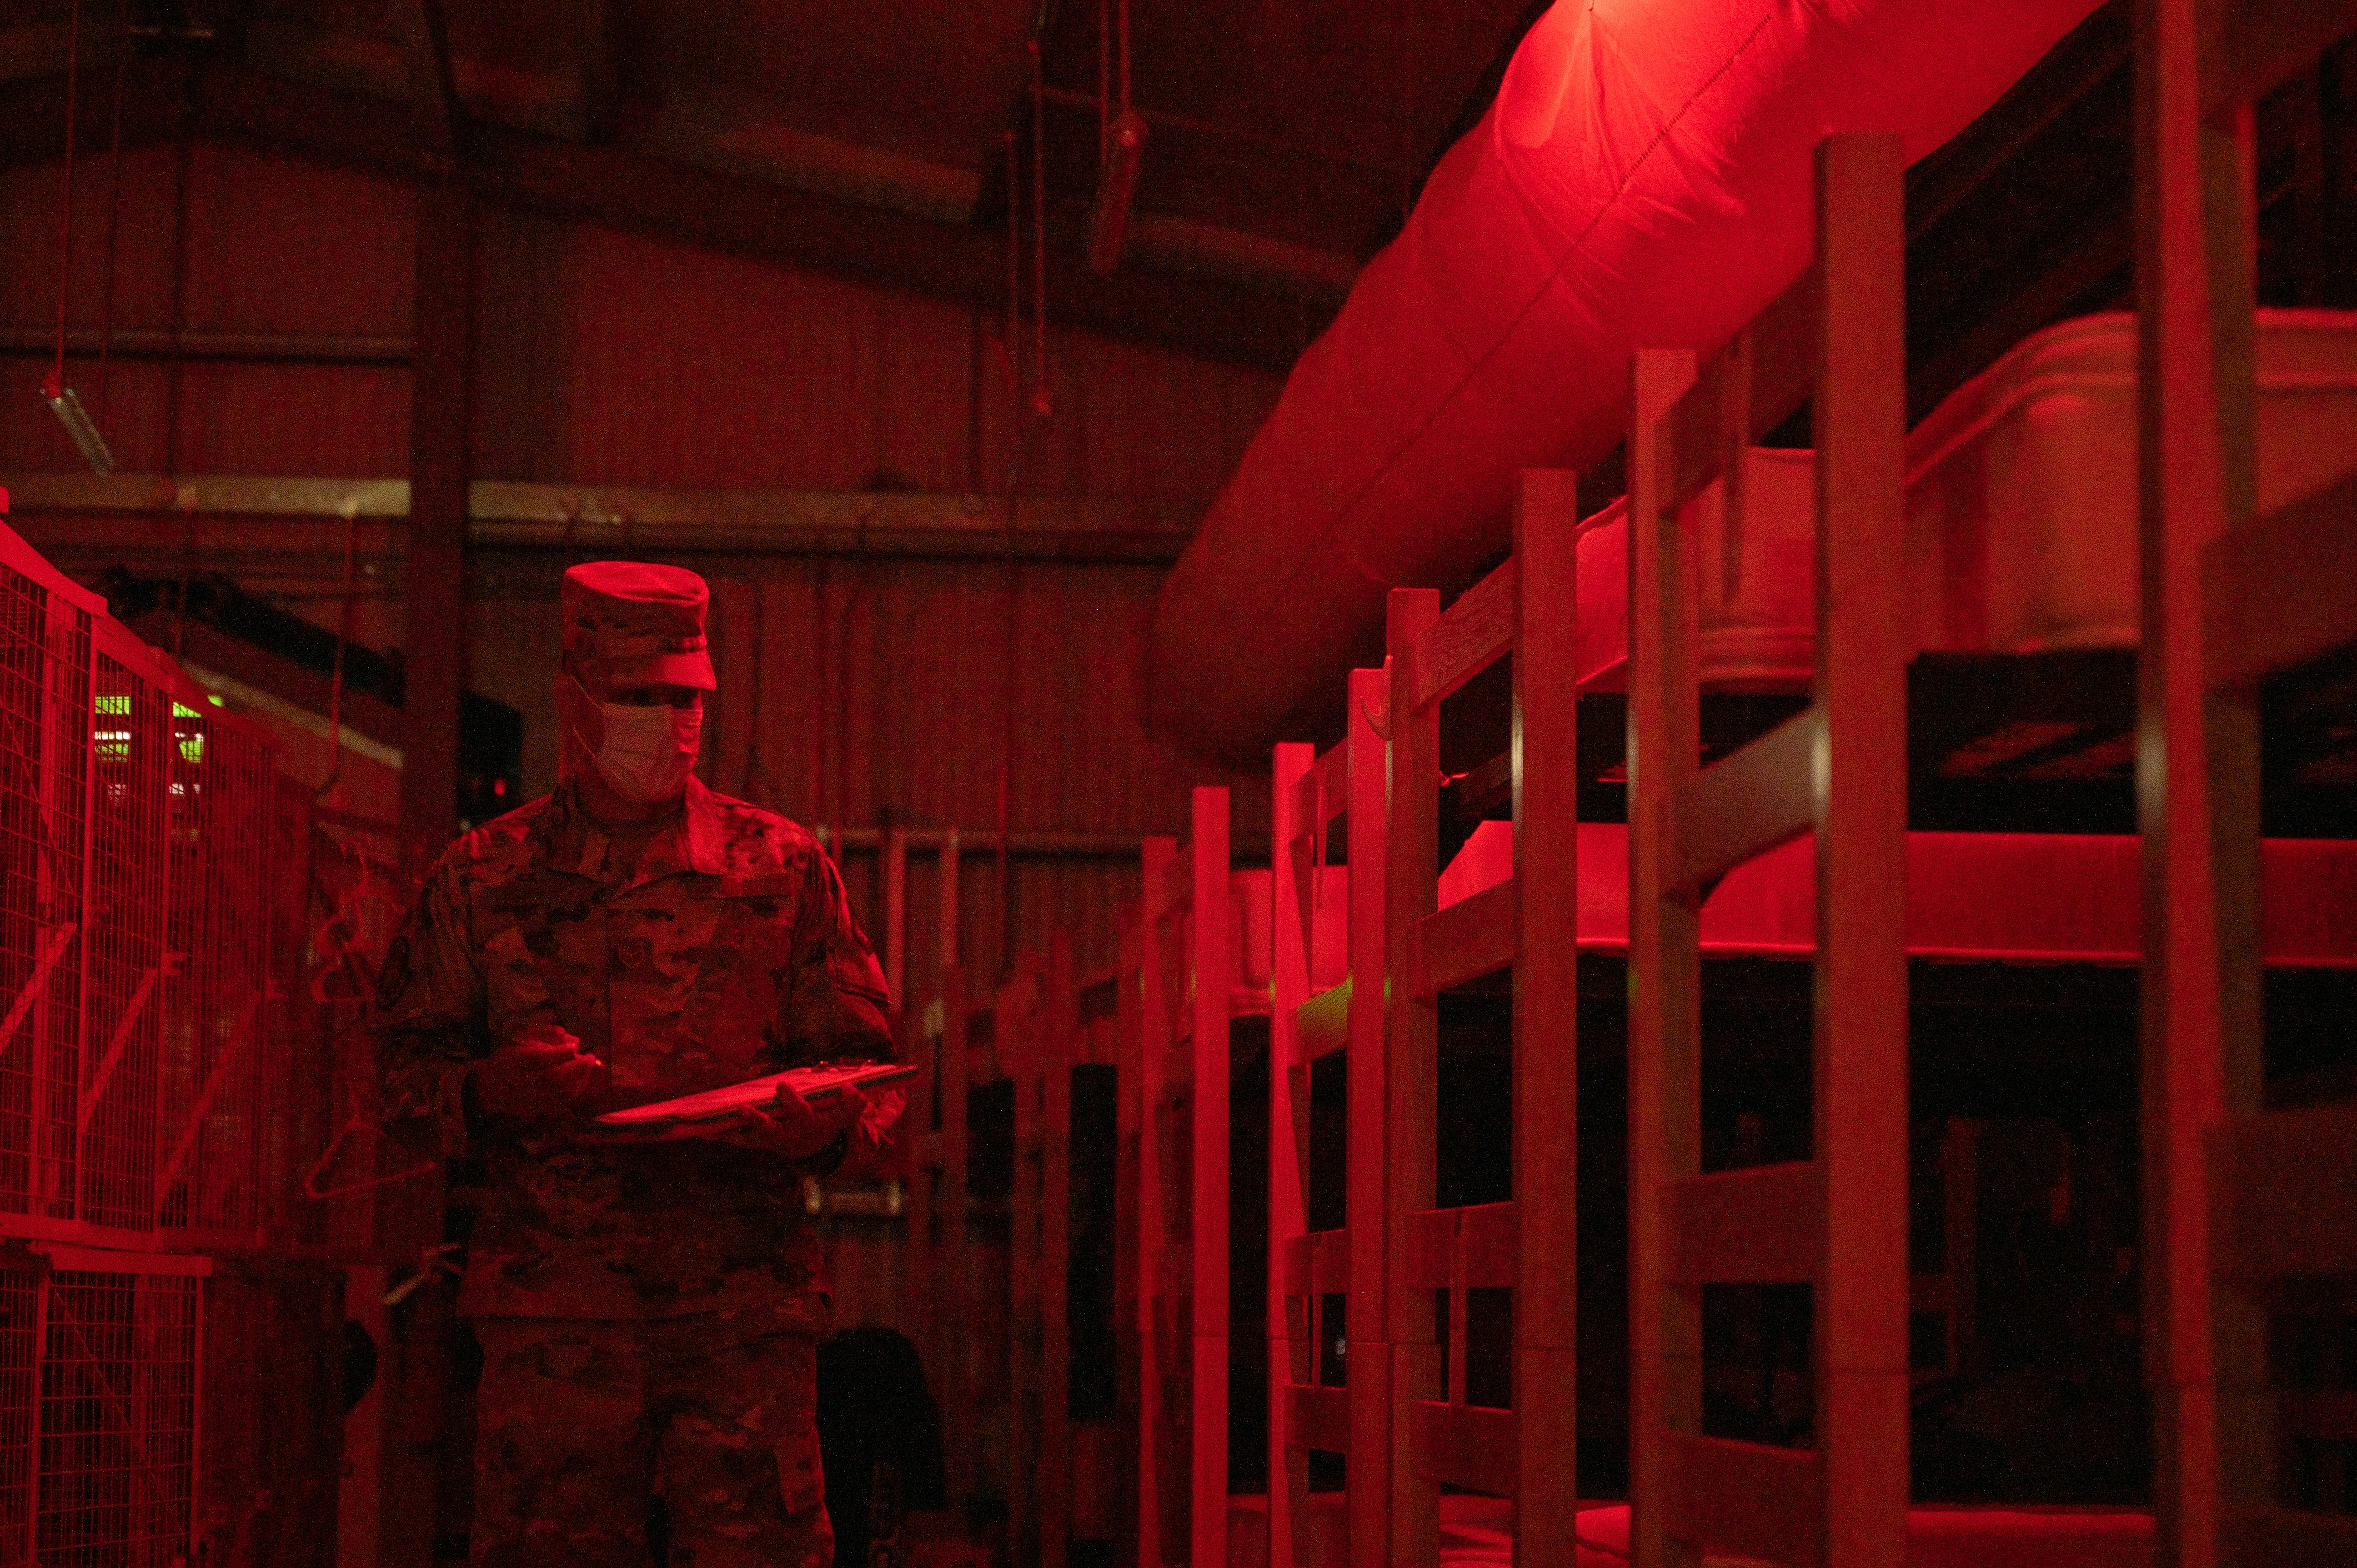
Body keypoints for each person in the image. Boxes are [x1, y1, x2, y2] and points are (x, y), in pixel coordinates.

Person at [372, 561, 899, 1568]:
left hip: (741, 1320)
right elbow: (397, 1070)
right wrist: (487, 1091)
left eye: (689, 697)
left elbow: (868, 1072)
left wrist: (822, 1122)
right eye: (641, 697)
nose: (673, 722)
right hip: (558, 1328)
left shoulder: (780, 869)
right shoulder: (485, 879)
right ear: (575, 698)